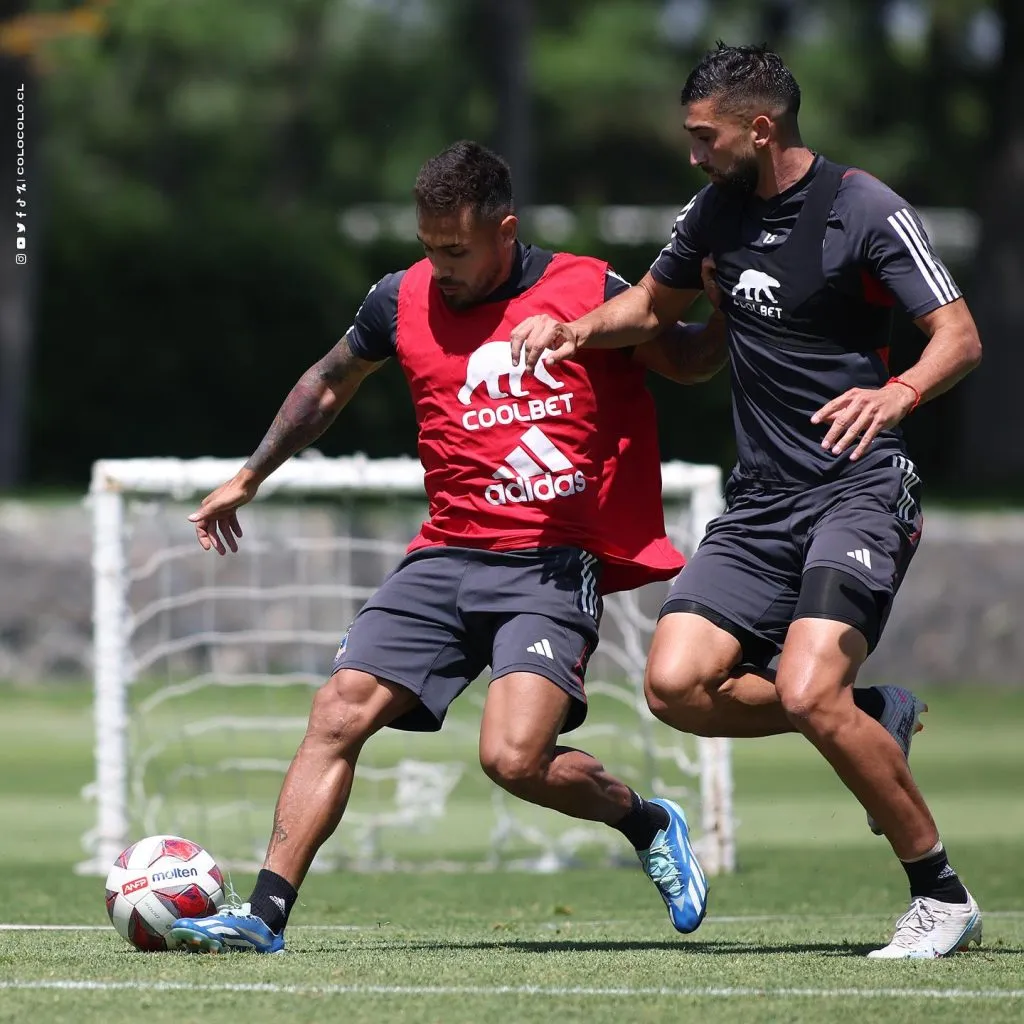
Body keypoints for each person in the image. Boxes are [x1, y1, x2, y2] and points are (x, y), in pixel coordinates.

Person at [168, 140, 726, 954]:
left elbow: (688, 361)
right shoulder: (398, 299)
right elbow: (328, 383)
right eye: (429, 247)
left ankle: (646, 822)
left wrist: (725, 304)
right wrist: (250, 475)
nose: (442, 267)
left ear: (506, 230)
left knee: (514, 759)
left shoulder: (586, 290)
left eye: (457, 250)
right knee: (337, 712)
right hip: (443, 556)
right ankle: (264, 917)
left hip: (547, 563)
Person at [510, 44, 984, 959]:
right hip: (762, 503)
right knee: (676, 686)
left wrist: (898, 394)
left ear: (759, 129)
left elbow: (958, 337)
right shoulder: (715, 212)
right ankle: (873, 715)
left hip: (858, 488)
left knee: (808, 689)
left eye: (705, 137)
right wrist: (574, 329)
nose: (694, 155)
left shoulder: (864, 209)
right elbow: (653, 309)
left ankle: (941, 895)